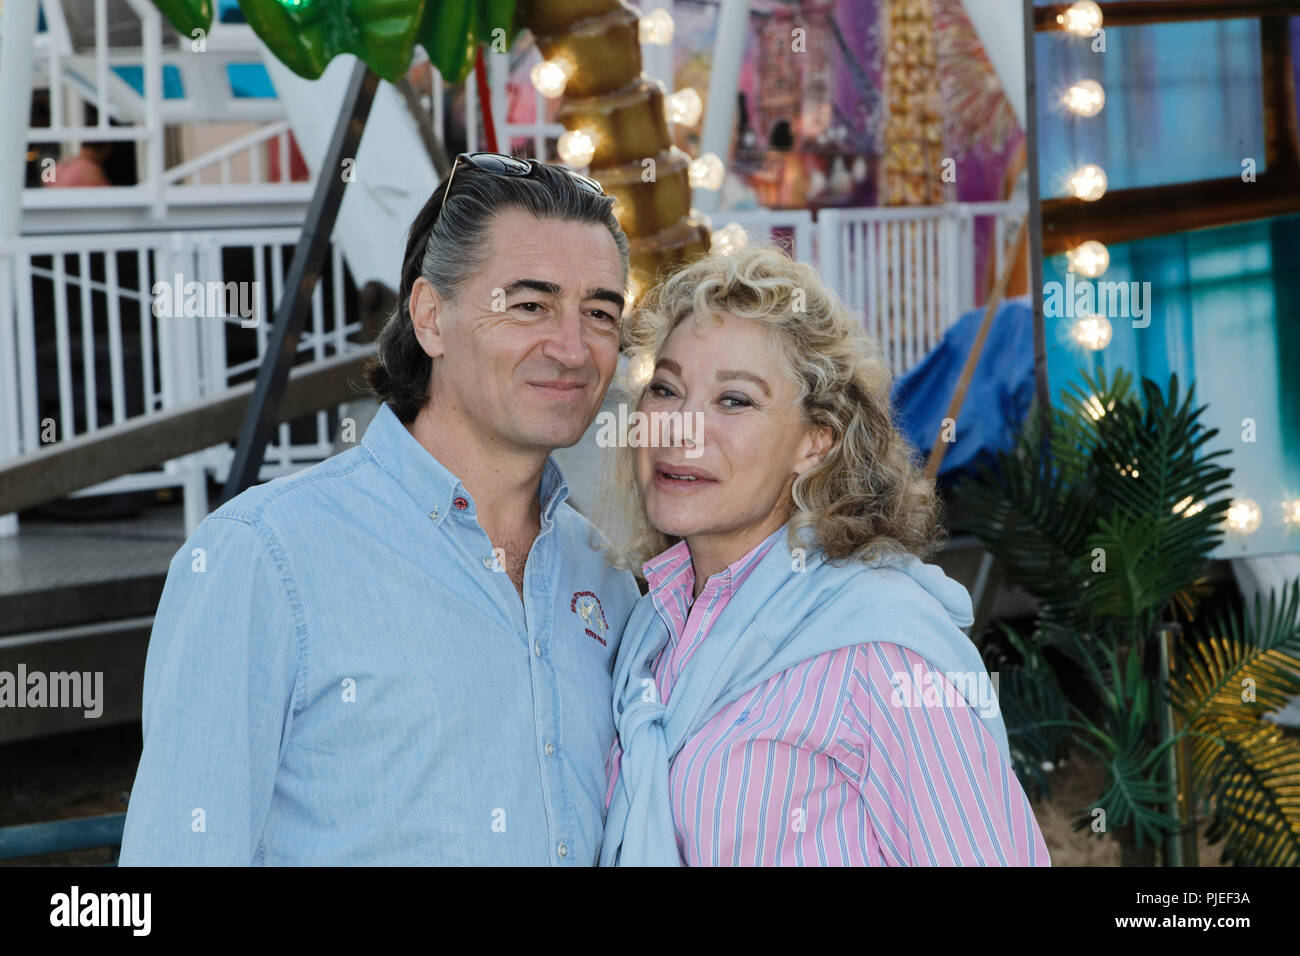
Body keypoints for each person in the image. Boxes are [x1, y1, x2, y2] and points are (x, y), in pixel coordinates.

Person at [119, 153, 640, 865]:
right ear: (430, 316)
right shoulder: (264, 558)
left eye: (600, 313)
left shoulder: (604, 575)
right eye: (529, 305)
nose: (573, 348)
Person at [598, 245, 1050, 866]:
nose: (682, 427)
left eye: (735, 400)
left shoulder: (878, 647)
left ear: (815, 442)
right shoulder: (652, 628)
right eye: (668, 389)